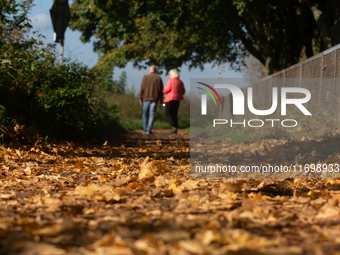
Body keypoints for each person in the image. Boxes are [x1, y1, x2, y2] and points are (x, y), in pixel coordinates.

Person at [139, 65, 164, 134]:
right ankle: (148, 129)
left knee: (145, 114)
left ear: (149, 70)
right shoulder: (159, 78)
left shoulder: (145, 77)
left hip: (145, 98)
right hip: (155, 98)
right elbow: (161, 90)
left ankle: (144, 128)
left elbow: (142, 87)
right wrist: (161, 100)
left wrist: (140, 97)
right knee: (152, 114)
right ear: (155, 70)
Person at [163, 69, 186, 134]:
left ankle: (173, 126)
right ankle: (175, 130)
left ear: (172, 75)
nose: (169, 76)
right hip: (177, 100)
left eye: (170, 74)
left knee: (168, 113)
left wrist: (163, 91)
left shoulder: (170, 81)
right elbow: (183, 91)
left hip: (170, 99)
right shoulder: (180, 82)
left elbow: (166, 90)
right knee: (175, 114)